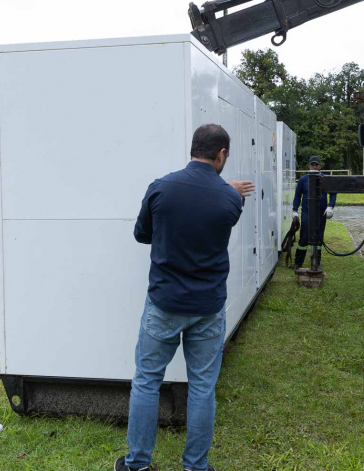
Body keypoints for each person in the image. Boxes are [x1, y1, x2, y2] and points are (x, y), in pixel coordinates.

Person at [116, 124, 255, 471]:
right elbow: (217, 211)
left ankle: (137, 465)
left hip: (163, 303)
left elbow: (142, 234)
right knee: (202, 387)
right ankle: (195, 465)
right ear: (221, 154)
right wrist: (230, 190)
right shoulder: (230, 199)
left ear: (193, 148)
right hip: (208, 307)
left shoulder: (160, 188)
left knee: (147, 381)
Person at [291, 156, 336, 270]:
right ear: (309, 166)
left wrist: (330, 206)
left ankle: (316, 262)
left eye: (316, 165)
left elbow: (333, 193)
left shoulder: (325, 179)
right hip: (307, 212)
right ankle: (298, 262)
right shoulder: (303, 180)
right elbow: (297, 196)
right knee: (304, 237)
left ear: (320, 166)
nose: (314, 167)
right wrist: (295, 210)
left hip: (321, 212)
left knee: (319, 237)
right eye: (312, 165)